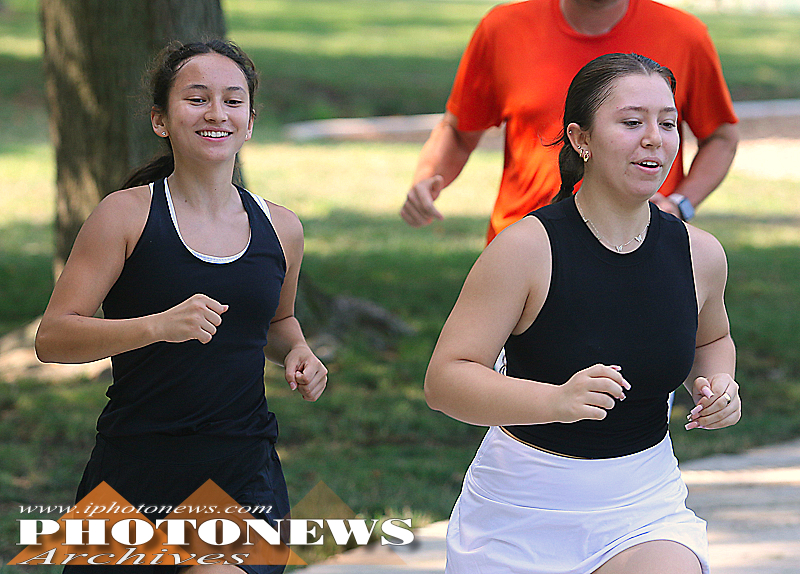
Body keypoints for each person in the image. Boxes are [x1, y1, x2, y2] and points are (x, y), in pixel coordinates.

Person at [424, 53, 741, 573]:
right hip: (519, 514)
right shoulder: (526, 249)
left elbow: (711, 341)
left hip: (644, 507)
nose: (654, 139)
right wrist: (557, 400)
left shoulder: (699, 254)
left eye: (667, 123)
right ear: (581, 139)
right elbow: (445, 381)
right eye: (632, 122)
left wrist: (718, 384)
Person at [34, 39, 327, 574]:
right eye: (196, 98)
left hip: (240, 468)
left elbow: (278, 321)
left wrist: (300, 351)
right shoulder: (124, 216)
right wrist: (154, 327)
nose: (216, 113)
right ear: (160, 120)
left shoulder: (281, 227)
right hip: (135, 469)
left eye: (232, 101)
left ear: (250, 122)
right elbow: (53, 338)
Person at [401, 0, 739, 244]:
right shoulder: (501, 28)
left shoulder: (685, 34)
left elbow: (721, 136)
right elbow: (460, 133)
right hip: (523, 247)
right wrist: (428, 178)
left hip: (640, 245)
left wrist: (679, 205)